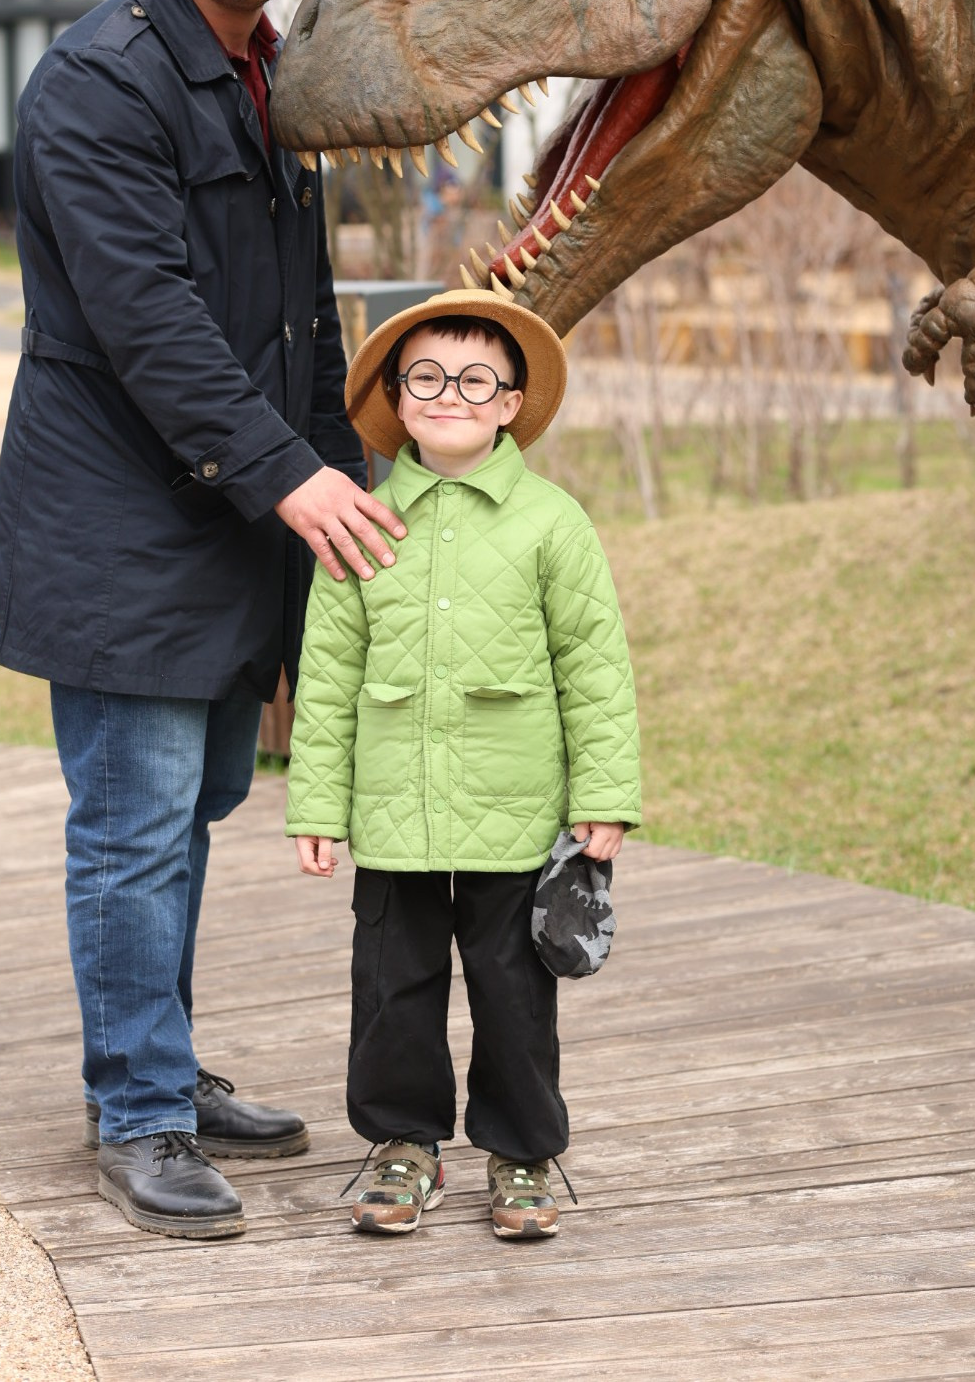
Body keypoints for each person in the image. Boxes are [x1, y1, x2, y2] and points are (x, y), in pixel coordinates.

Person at [0, 0, 406, 1242]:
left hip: (235, 519)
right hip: (120, 526)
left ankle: (159, 1060)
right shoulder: (98, 84)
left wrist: (350, 464)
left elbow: (299, 319)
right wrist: (293, 479)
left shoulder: (273, 77)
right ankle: (140, 1110)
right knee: (136, 827)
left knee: (198, 808)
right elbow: (151, 325)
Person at [285, 288, 641, 1239]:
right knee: (392, 986)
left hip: (516, 809)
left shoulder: (551, 523)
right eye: (427, 377)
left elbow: (594, 667)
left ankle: (523, 1152)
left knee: (513, 989)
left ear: (511, 401)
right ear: (397, 400)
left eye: (475, 378)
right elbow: (327, 678)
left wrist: (604, 794)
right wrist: (318, 807)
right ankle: (403, 1145)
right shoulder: (358, 524)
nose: (451, 394)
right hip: (395, 809)